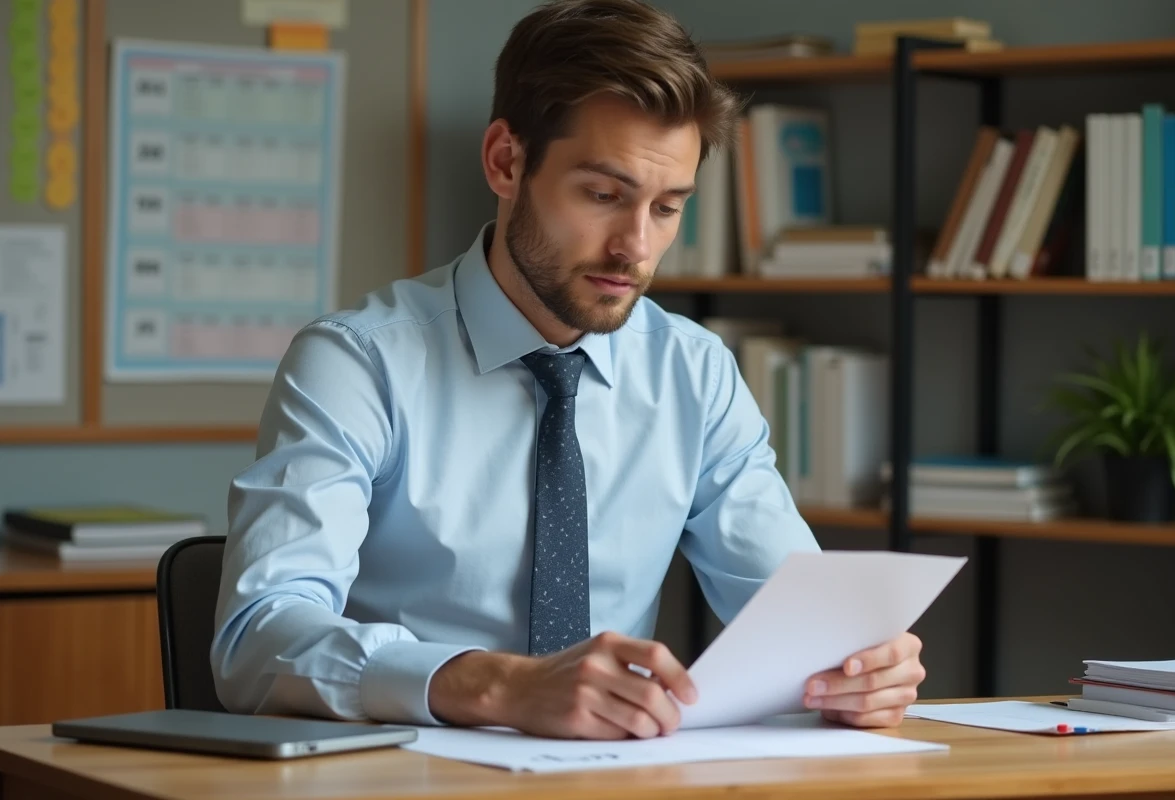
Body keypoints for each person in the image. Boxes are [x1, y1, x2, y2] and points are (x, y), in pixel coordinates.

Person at [210, 0, 926, 741]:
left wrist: (856, 665)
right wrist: (500, 687)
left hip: (614, 777)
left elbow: (799, 619)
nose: (635, 247)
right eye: (604, 195)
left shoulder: (694, 373)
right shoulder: (356, 363)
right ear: (505, 161)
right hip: (404, 776)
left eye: (667, 207)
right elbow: (256, 641)